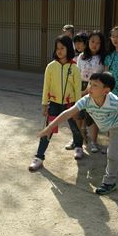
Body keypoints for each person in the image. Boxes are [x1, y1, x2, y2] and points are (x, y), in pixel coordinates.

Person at [38, 72, 118, 195]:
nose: (89, 87)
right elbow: (68, 113)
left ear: (106, 91)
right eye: (90, 84)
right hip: (105, 125)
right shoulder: (86, 100)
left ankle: (110, 183)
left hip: (117, 125)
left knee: (112, 153)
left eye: (95, 85)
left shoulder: (115, 102)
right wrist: (50, 127)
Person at [29, 35, 83, 171]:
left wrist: (78, 107)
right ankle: (39, 156)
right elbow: (46, 86)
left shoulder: (75, 68)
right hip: (53, 103)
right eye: (57, 48)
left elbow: (77, 89)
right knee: (49, 129)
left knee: (74, 127)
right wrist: (44, 104)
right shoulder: (51, 67)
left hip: (70, 104)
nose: (59, 51)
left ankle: (78, 146)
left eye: (62, 48)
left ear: (68, 49)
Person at [75, 31, 106, 153]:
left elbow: (104, 74)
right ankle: (78, 139)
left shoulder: (103, 58)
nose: (95, 45)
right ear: (88, 42)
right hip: (81, 86)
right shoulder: (81, 56)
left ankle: (94, 142)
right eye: (92, 41)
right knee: (78, 114)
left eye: (98, 43)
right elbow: (77, 73)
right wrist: (78, 90)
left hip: (96, 87)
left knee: (92, 116)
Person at [65, 32, 89, 151]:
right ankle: (76, 138)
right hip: (76, 85)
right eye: (76, 42)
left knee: (85, 114)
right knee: (76, 114)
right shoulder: (74, 56)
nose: (77, 45)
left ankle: (83, 137)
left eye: (80, 42)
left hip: (88, 86)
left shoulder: (89, 56)